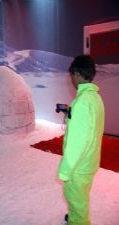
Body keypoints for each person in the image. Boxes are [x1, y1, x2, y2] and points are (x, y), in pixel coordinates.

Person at [58, 55, 105, 225]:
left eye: (71, 75)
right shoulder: (95, 97)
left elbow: (77, 143)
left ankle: (77, 220)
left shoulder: (82, 103)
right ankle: (74, 217)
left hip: (78, 167)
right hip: (90, 161)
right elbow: (90, 128)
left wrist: (65, 170)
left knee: (77, 201)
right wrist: (71, 115)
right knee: (80, 199)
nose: (71, 80)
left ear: (77, 74)